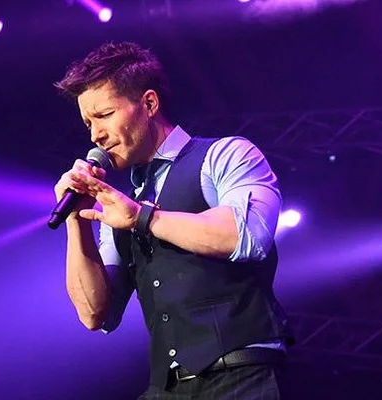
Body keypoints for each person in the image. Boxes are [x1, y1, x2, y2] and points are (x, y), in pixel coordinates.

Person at [53, 41, 293, 399]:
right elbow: (95, 314)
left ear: (149, 104)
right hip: (167, 388)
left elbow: (246, 235)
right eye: (88, 123)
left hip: (241, 376)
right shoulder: (118, 207)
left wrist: (142, 217)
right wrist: (77, 220)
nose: (95, 135)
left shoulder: (225, 155)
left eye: (104, 115)